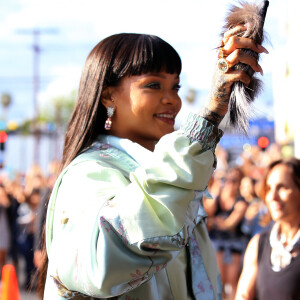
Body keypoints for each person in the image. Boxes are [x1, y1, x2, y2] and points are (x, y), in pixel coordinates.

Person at [41, 29, 267, 300]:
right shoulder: (87, 174)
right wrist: (209, 115)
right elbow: (107, 261)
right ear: (108, 96)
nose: (173, 99)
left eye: (176, 86)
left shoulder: (163, 168)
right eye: (153, 85)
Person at [235, 158, 300, 300]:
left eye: (282, 187)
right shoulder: (259, 244)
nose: (272, 196)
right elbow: (243, 295)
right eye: (269, 188)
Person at [206, 167, 247, 300]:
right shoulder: (217, 197)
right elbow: (207, 214)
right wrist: (216, 187)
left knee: (232, 281)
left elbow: (230, 224)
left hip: (233, 244)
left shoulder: (241, 202)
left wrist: (215, 222)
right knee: (220, 281)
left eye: (233, 181)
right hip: (217, 243)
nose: (229, 184)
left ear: (238, 184)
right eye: (226, 180)